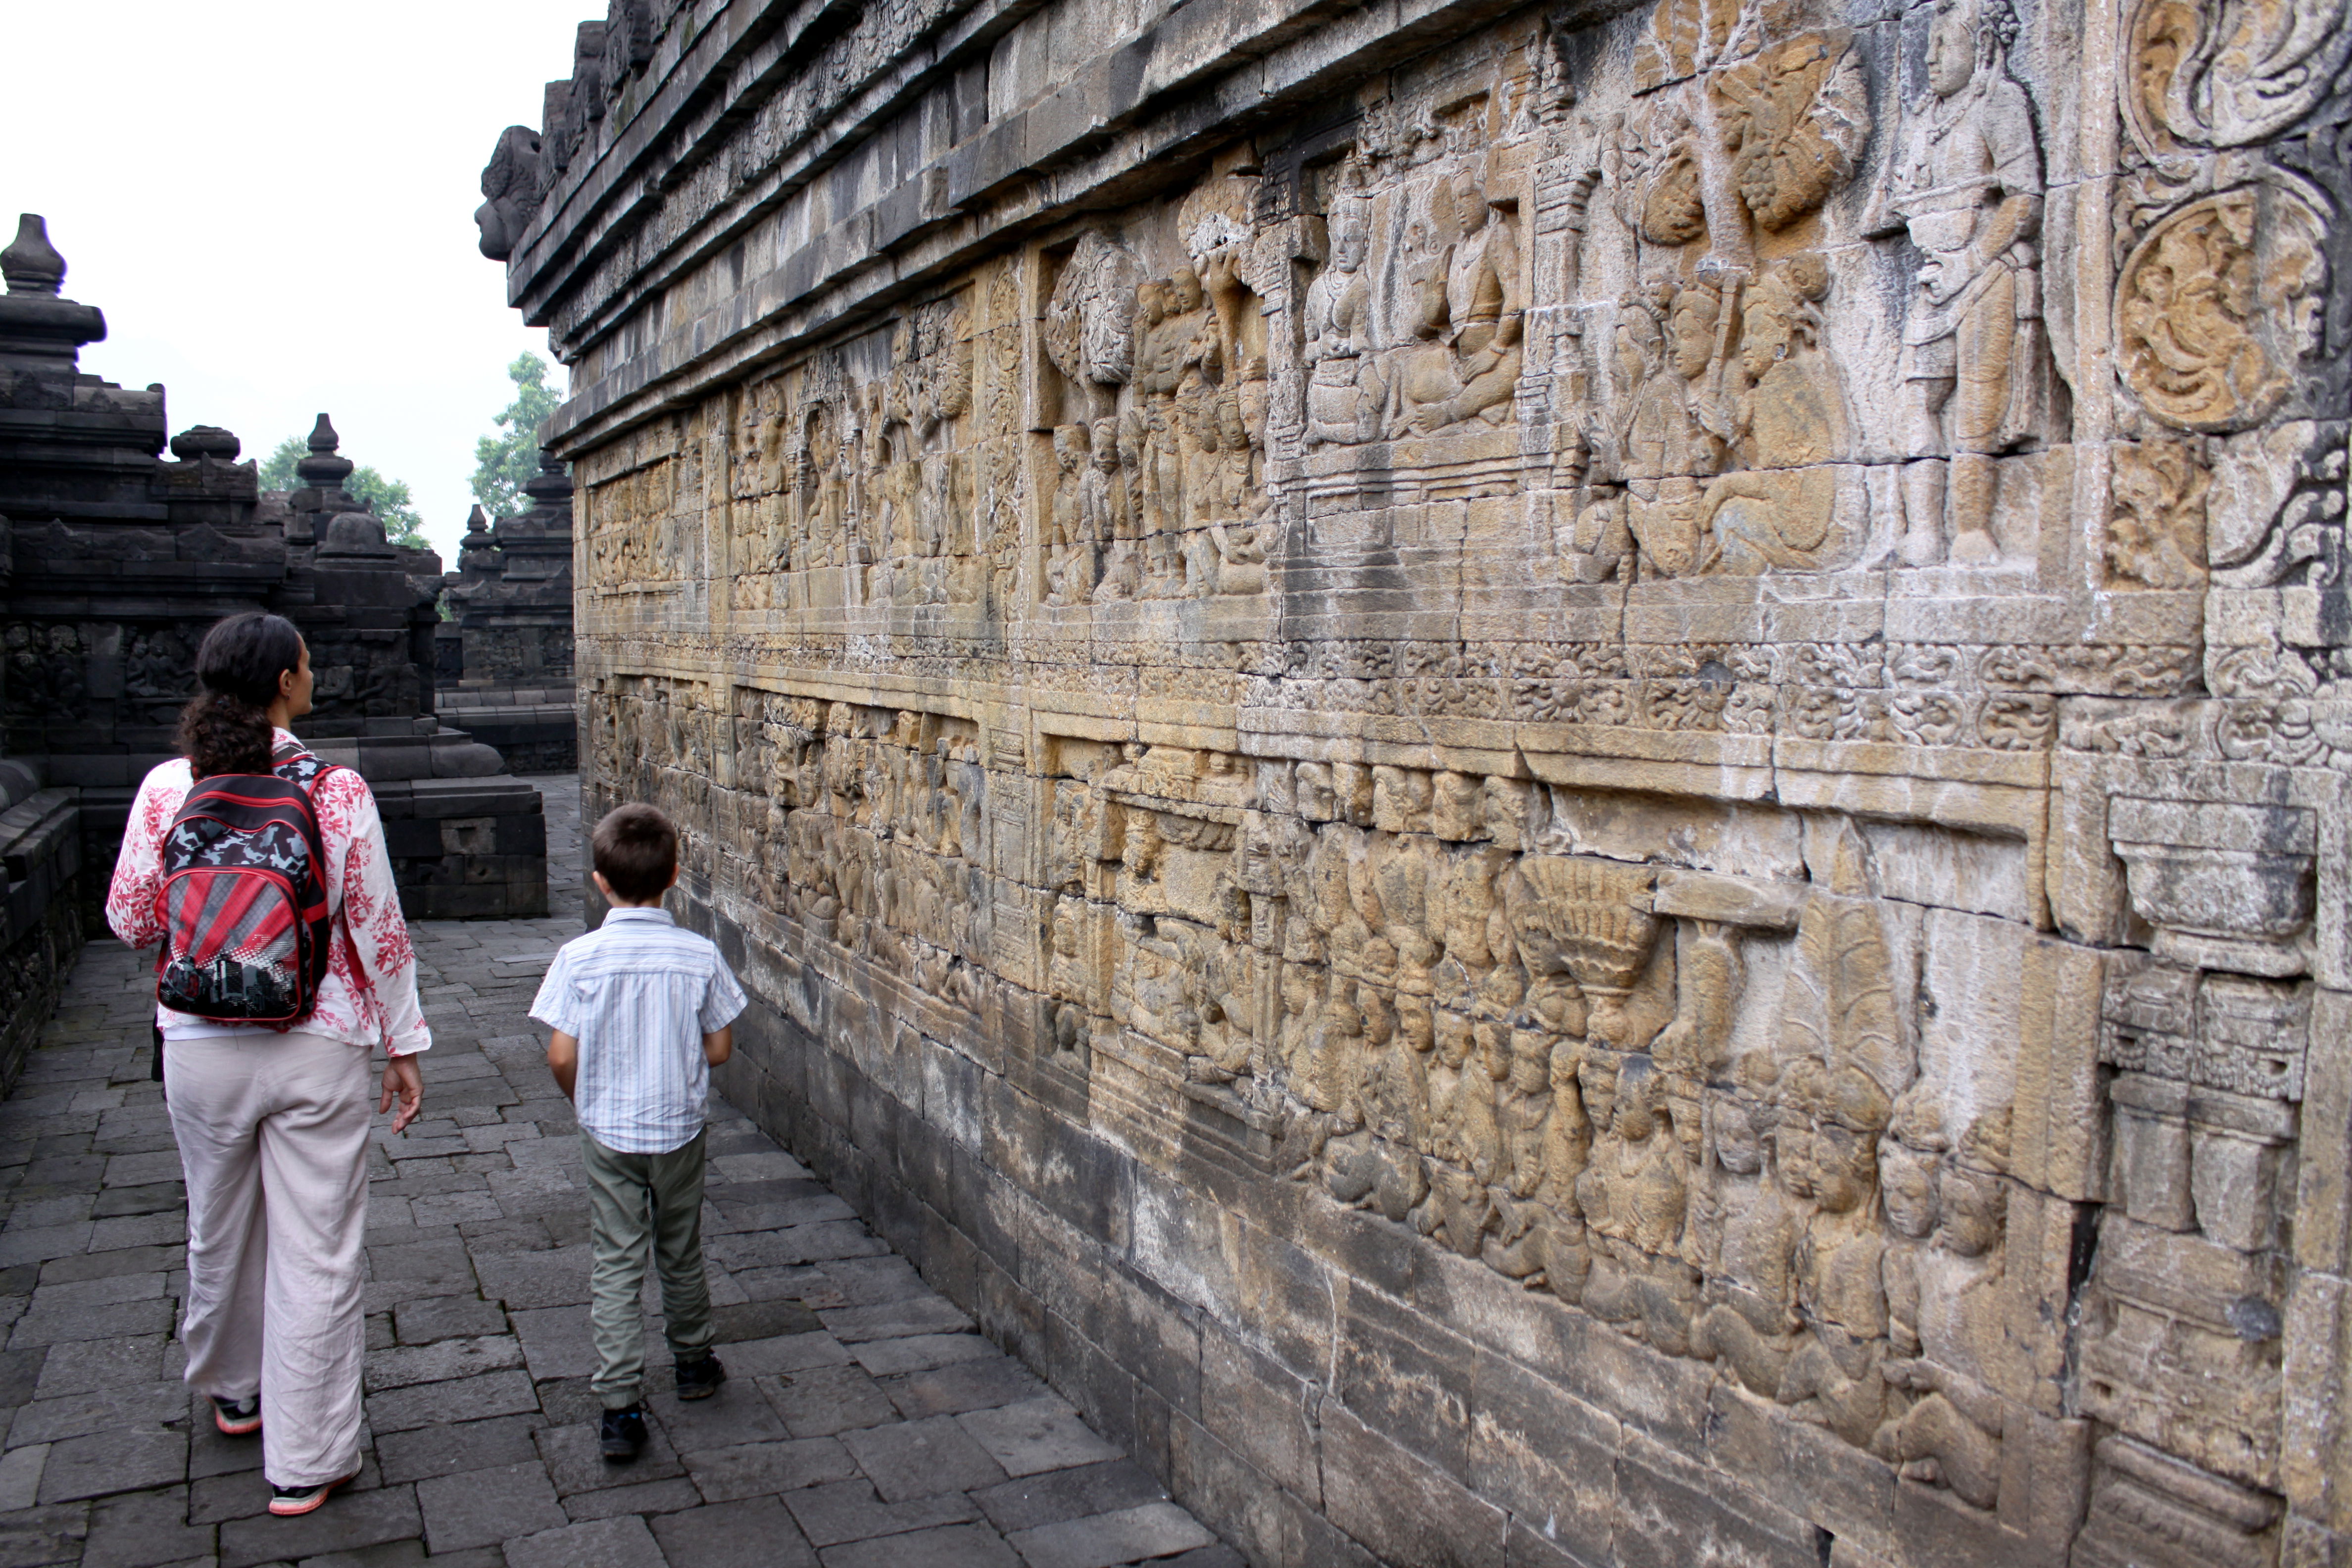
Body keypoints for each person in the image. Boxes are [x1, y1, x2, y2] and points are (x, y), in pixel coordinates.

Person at [104, 611, 428, 1518]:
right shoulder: (334, 789)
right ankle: (306, 1460)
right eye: (308, 665)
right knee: (317, 1252)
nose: (314, 676)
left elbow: (129, 919)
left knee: (218, 1224)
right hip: (318, 1039)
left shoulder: (170, 785)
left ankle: (235, 1389)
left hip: (197, 1041)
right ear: (286, 681)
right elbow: (378, 929)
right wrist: (403, 1043)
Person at [529, 803, 747, 1461]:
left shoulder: (579, 958)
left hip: (608, 1131)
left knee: (616, 1260)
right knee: (680, 1248)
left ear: (600, 882)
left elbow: (560, 1055)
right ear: (675, 874)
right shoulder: (698, 955)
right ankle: (693, 1362)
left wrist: (585, 1099)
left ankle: (620, 1405)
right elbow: (719, 1049)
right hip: (678, 1126)